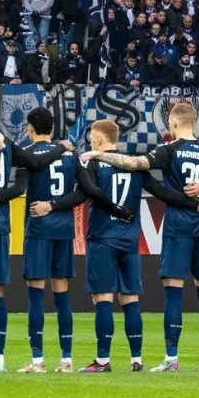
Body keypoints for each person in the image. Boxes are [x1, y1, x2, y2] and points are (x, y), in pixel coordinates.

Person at [83, 102, 199, 371]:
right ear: (195, 123)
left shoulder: (170, 150)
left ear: (173, 124)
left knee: (174, 293)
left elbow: (135, 163)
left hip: (178, 227)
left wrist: (98, 156)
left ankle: (172, 359)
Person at [0, 102, 68, 372]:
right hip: (0, 225)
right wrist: (62, 147)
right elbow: (36, 161)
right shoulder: (3, 142)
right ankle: (0, 360)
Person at [13, 109, 87, 372]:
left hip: (38, 230)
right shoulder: (70, 155)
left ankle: (37, 361)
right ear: (53, 128)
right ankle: (66, 360)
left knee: (35, 295)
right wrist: (56, 206)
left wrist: (45, 206)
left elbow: (19, 188)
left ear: (30, 128)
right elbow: (84, 193)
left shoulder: (28, 155)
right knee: (62, 296)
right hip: (64, 230)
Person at [77, 119, 154, 371]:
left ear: (99, 139)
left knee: (103, 299)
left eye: (91, 138)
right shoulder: (133, 164)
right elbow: (160, 190)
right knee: (130, 299)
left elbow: (90, 193)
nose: (90, 142)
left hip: (102, 237)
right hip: (130, 239)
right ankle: (137, 359)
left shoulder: (94, 162)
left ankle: (102, 360)